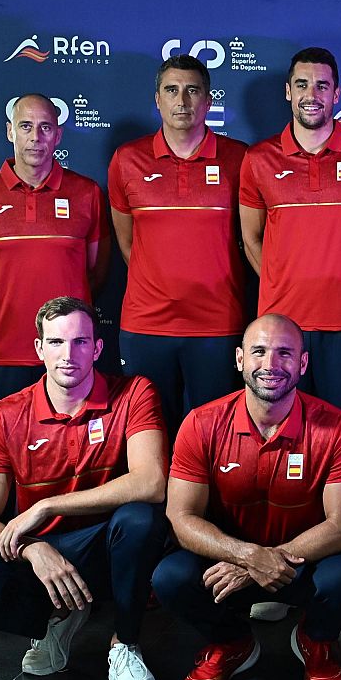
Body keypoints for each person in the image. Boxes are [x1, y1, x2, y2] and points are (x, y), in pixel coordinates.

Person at [0, 297, 167, 680]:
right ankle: (57, 618)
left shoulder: (134, 393)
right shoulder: (6, 414)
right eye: (57, 342)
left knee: (140, 519)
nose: (69, 354)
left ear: (97, 349)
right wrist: (32, 548)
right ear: (39, 348)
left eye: (81, 342)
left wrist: (50, 505)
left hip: (102, 546)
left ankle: (125, 644)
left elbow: (152, 481)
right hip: (40, 555)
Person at [152, 313, 341, 680]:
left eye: (285, 353)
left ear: (302, 363)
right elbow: (181, 516)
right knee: (170, 577)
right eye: (259, 352)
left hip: (300, 566)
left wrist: (268, 560)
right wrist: (246, 556)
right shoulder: (201, 423)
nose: (270, 365)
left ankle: (317, 638)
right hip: (226, 564)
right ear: (239, 359)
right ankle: (232, 642)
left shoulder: (336, 426)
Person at [0, 94, 109, 553]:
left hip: (70, 359)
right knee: (0, 468)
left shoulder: (85, 193)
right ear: (10, 131)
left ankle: (75, 559)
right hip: (2, 352)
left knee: (76, 462)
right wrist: (12, 316)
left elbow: (95, 274)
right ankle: (2, 559)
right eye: (26, 126)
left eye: (45, 128)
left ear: (58, 135)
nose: (36, 137)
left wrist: (61, 337)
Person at [240, 48, 341, 436]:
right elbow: (252, 238)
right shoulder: (258, 159)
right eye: (303, 84)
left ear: (337, 94)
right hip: (280, 327)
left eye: (322, 85)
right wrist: (282, 282)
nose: (312, 93)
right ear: (288, 91)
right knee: (279, 435)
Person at [109, 54, 250, 429]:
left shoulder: (240, 159)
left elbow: (253, 237)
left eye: (193, 91)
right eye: (172, 90)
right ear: (157, 99)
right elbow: (127, 243)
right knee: (149, 438)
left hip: (218, 325)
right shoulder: (127, 160)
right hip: (146, 326)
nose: (182, 101)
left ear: (209, 100)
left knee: (218, 436)